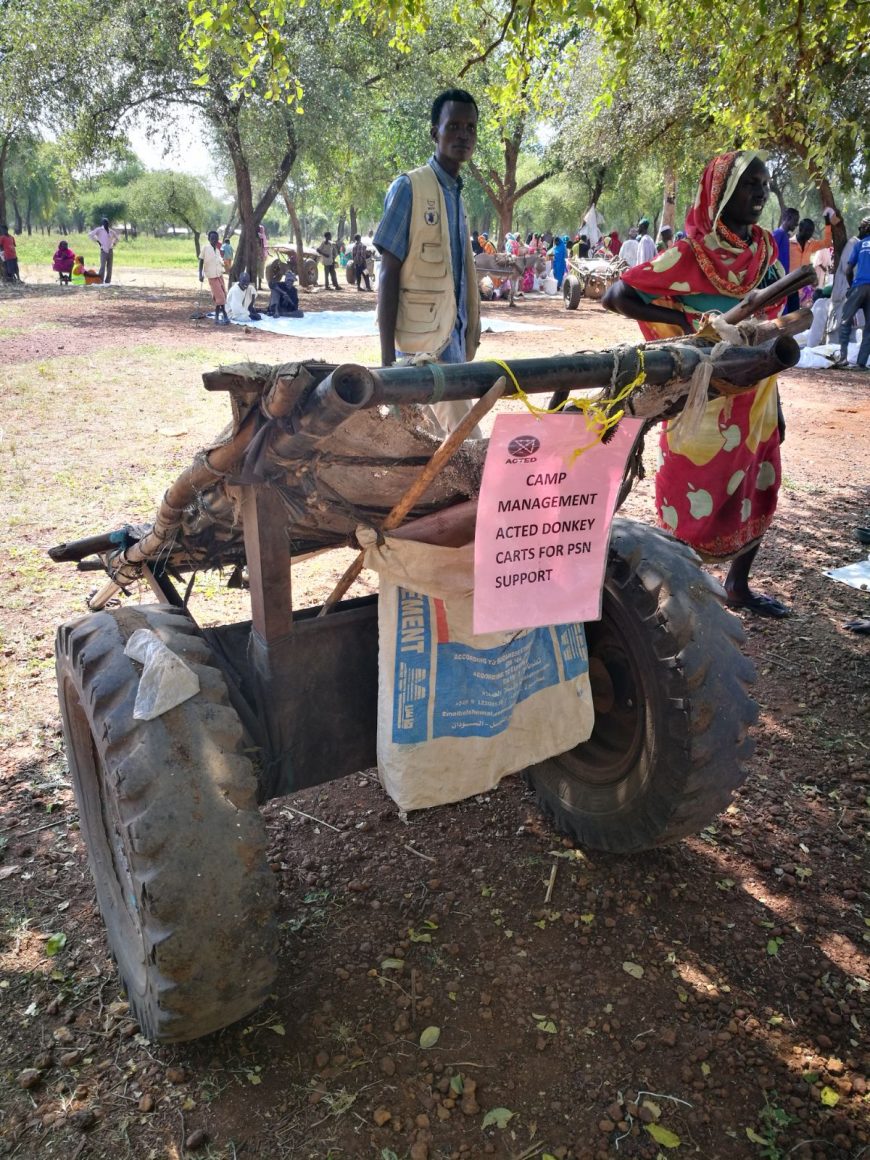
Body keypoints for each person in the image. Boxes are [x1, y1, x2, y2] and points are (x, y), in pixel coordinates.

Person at [602, 150, 790, 618]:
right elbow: (617, 295)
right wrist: (687, 319)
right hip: (702, 397)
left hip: (758, 394)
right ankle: (682, 594)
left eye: (764, 184)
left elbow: (778, 314)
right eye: (750, 184)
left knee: (757, 480)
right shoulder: (691, 253)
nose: (760, 193)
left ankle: (739, 586)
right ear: (721, 194)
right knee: (689, 487)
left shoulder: (765, 253)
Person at [374, 87, 482, 438]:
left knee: (437, 453)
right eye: (453, 126)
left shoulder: (456, 195)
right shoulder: (410, 188)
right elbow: (388, 273)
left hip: (454, 349)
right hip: (422, 354)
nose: (462, 135)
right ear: (434, 131)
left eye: (470, 128)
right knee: (470, 445)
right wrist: (387, 361)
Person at [833, 216, 870, 371]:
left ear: (866, 228)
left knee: (845, 321)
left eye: (861, 227)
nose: (859, 230)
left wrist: (851, 286)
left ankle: (843, 357)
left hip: (859, 286)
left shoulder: (859, 244)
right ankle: (861, 363)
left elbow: (848, 270)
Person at [199, 229, 229, 324]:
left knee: (222, 295)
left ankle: (216, 318)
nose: (214, 240)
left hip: (219, 275)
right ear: (209, 239)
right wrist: (200, 274)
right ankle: (224, 315)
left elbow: (220, 262)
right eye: (212, 238)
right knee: (220, 297)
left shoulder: (217, 250)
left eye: (216, 238)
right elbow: (201, 261)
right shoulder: (205, 248)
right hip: (211, 276)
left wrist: (223, 259)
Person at [88, 217, 120, 284]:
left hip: (110, 250)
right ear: (102, 223)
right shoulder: (99, 230)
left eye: (107, 222)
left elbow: (117, 238)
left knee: (109, 267)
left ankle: (107, 281)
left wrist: (114, 244)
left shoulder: (111, 231)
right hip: (103, 250)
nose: (106, 223)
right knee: (102, 266)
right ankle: (100, 280)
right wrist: (97, 241)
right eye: (104, 222)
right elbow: (90, 235)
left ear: (108, 223)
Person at [256, 225, 268, 289]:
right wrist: (264, 255)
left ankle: (255, 285)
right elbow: (265, 247)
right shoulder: (263, 236)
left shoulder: (255, 235)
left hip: (255, 256)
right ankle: (259, 286)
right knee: (260, 272)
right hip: (261, 256)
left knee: (255, 271)